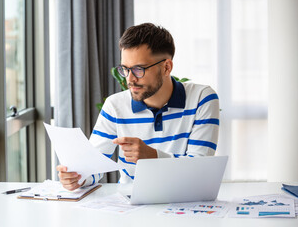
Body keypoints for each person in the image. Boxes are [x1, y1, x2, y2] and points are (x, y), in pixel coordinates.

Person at [57, 23, 219, 191]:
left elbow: (200, 169)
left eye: (138, 69)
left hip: (186, 203)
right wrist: (77, 177)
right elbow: (93, 165)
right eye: (125, 69)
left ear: (166, 67)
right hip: (132, 205)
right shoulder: (115, 105)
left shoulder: (202, 98)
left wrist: (153, 157)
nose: (130, 79)